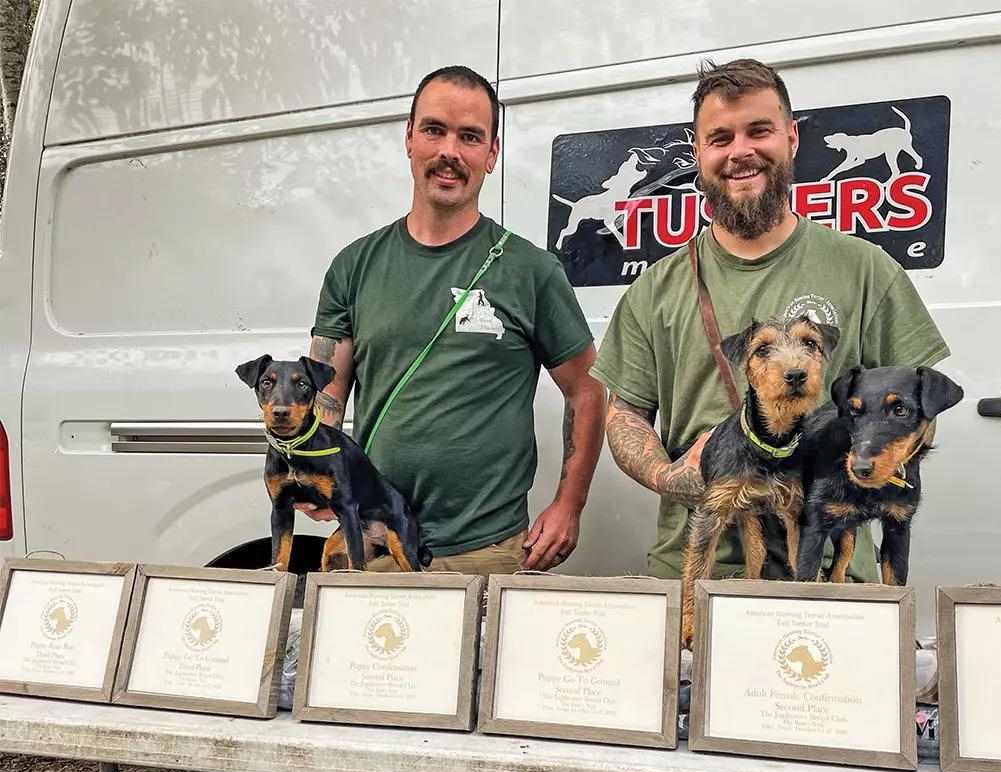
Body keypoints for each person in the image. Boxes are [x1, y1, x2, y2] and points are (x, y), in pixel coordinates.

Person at [591, 58, 949, 582]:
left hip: (830, 574)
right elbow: (623, 416)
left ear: (791, 138)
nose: (741, 151)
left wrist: (860, 467)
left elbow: (921, 409)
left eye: (759, 131)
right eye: (720, 137)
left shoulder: (866, 269)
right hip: (695, 572)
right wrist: (672, 477)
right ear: (698, 153)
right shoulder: (655, 289)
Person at [302, 65, 605, 575]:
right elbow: (325, 391)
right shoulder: (355, 266)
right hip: (375, 541)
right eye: (434, 130)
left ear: (491, 154)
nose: (449, 151)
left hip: (487, 552)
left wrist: (568, 506)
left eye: (470, 137)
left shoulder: (529, 270)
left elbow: (588, 389)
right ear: (409, 138)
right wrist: (313, 464)